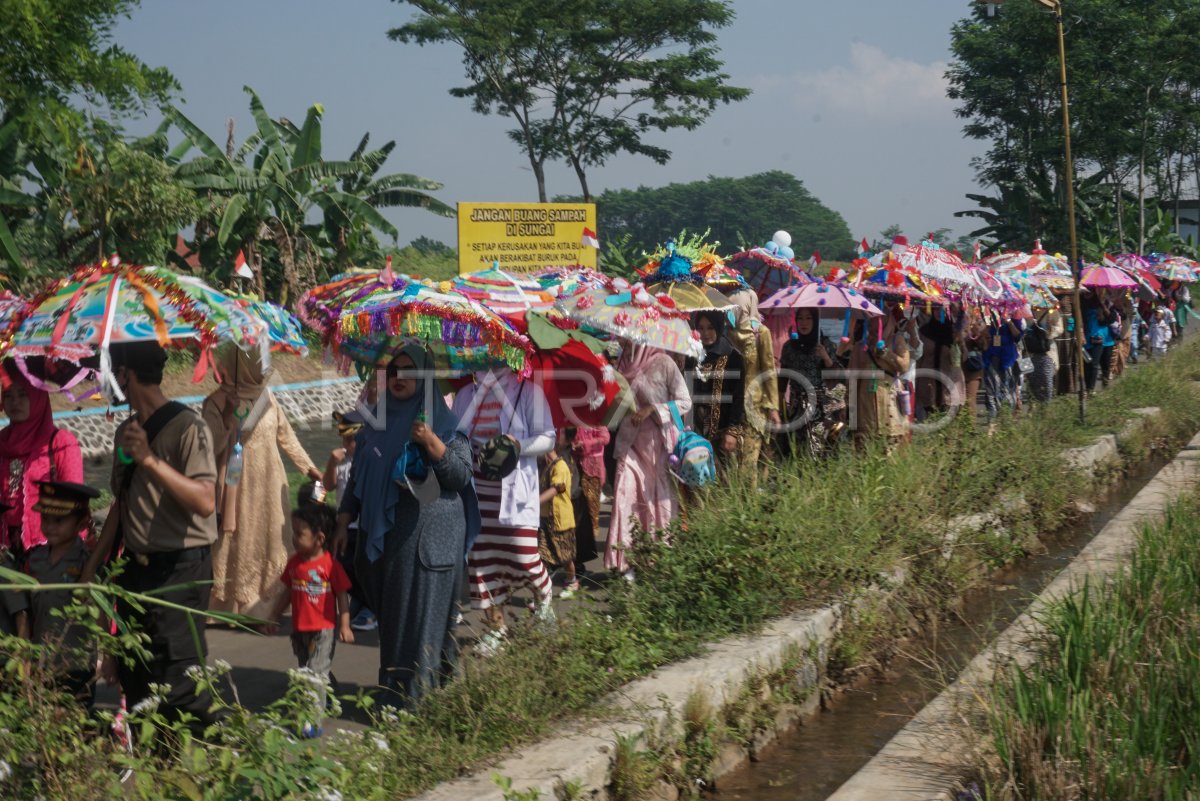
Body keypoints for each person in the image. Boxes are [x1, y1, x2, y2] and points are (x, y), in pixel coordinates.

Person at [81, 340, 222, 729]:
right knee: (137, 676)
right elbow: (121, 505)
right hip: (136, 571)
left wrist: (149, 460)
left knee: (180, 683)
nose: (106, 381)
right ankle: (154, 767)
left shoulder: (188, 428)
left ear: (125, 374)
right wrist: (92, 567)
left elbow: (206, 501)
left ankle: (195, 770)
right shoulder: (126, 432)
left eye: (110, 373)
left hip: (181, 571)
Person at [336, 346, 476, 702]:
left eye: (409, 371)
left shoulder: (443, 424)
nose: (399, 378)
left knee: (416, 620)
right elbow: (358, 474)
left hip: (428, 540)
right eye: (394, 371)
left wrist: (431, 442)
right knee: (401, 620)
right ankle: (432, 695)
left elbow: (460, 476)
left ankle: (408, 700)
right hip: (388, 542)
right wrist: (343, 520)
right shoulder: (377, 420)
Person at [202, 347, 322, 618]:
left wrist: (311, 470)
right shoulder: (217, 401)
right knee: (236, 539)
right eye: (254, 361)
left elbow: (287, 438)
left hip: (268, 480)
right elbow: (209, 447)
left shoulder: (267, 397)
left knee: (268, 537)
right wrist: (226, 416)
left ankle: (263, 609)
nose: (261, 366)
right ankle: (228, 607)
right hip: (235, 483)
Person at [454, 366, 556, 654]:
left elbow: (548, 437)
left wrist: (518, 444)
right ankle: (496, 629)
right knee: (483, 559)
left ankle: (544, 594)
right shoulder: (466, 395)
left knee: (524, 554)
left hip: (513, 490)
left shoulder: (527, 390)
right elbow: (456, 436)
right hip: (477, 490)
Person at [262, 503, 353, 736]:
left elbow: (342, 596)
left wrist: (344, 624)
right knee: (308, 668)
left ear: (319, 538)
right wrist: (273, 615)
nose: (293, 538)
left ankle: (311, 720)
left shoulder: (330, 566)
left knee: (313, 675)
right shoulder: (294, 563)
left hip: (324, 630)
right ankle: (330, 695)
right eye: (293, 532)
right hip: (300, 629)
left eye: (299, 534)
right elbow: (288, 592)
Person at [606, 342, 691, 579]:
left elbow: (685, 402)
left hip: (661, 447)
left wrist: (652, 409)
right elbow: (615, 406)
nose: (624, 341)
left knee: (657, 502)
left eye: (628, 336)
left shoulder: (665, 363)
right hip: (630, 443)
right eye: (621, 336)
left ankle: (659, 559)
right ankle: (626, 563)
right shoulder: (621, 364)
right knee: (625, 495)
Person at [18, 480, 100, 706]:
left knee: (74, 725)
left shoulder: (87, 562)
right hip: (41, 660)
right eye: (46, 519)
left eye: (59, 520)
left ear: (81, 522)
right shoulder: (35, 560)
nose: (50, 526)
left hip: (76, 663)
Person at [0, 362, 84, 557]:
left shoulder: (62, 443)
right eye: (8, 395)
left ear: (38, 396)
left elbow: (76, 503)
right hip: (6, 552)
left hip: (50, 550)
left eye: (23, 394)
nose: (15, 402)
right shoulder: (2, 442)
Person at [323, 411, 375, 631]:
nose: (347, 444)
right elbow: (327, 486)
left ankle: (371, 607)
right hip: (345, 525)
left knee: (362, 568)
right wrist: (331, 463)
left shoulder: (370, 460)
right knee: (343, 567)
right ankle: (361, 602)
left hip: (364, 525)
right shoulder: (342, 462)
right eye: (344, 439)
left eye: (351, 439)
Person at [725, 288, 782, 470]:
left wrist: (773, 407)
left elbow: (769, 370)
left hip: (754, 407)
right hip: (730, 407)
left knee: (750, 460)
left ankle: (749, 496)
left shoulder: (760, 333)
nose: (737, 310)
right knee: (731, 461)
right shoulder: (725, 333)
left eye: (740, 306)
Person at [841, 306, 910, 449]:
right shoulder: (861, 346)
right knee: (865, 449)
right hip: (865, 405)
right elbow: (852, 379)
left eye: (881, 317)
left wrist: (885, 353)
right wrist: (848, 407)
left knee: (891, 447)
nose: (877, 322)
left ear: (889, 319)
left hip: (890, 401)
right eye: (873, 317)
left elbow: (904, 366)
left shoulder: (897, 340)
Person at [687, 310, 746, 465]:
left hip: (723, 435)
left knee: (723, 484)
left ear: (719, 328)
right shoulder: (692, 355)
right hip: (695, 432)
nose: (705, 333)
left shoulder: (733, 357)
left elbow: (738, 397)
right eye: (700, 328)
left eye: (711, 327)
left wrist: (732, 432)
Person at [778, 308, 836, 453]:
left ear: (815, 321)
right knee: (795, 448)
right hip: (796, 405)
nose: (804, 323)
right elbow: (783, 378)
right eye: (801, 318)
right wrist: (779, 405)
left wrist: (826, 357)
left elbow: (836, 377)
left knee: (819, 448)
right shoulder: (789, 347)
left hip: (820, 406)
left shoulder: (825, 344)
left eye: (809, 318)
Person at [538, 441, 578, 596]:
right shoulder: (547, 467)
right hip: (546, 518)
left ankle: (572, 580)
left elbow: (556, 488)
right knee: (542, 555)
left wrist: (536, 501)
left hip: (561, 519)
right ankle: (542, 592)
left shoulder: (560, 466)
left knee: (565, 555)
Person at [570, 424, 609, 565]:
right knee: (576, 509)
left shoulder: (597, 418)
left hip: (593, 467)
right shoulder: (573, 414)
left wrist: (586, 443)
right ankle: (578, 551)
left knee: (592, 510)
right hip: (574, 464)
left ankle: (587, 549)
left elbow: (605, 438)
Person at [983, 312, 1024, 421]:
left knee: (1008, 389)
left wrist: (1009, 322)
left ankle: (1007, 420)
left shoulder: (1014, 315)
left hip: (1008, 358)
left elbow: (1018, 337)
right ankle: (992, 422)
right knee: (991, 389)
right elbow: (984, 335)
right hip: (992, 356)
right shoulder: (988, 313)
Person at [1081, 294, 1117, 394]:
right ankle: (1089, 388)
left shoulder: (1106, 303)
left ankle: (1096, 388)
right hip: (1086, 339)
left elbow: (1111, 318)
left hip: (1102, 338)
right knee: (1088, 364)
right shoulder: (1081, 304)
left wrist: (1102, 305)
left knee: (1099, 365)